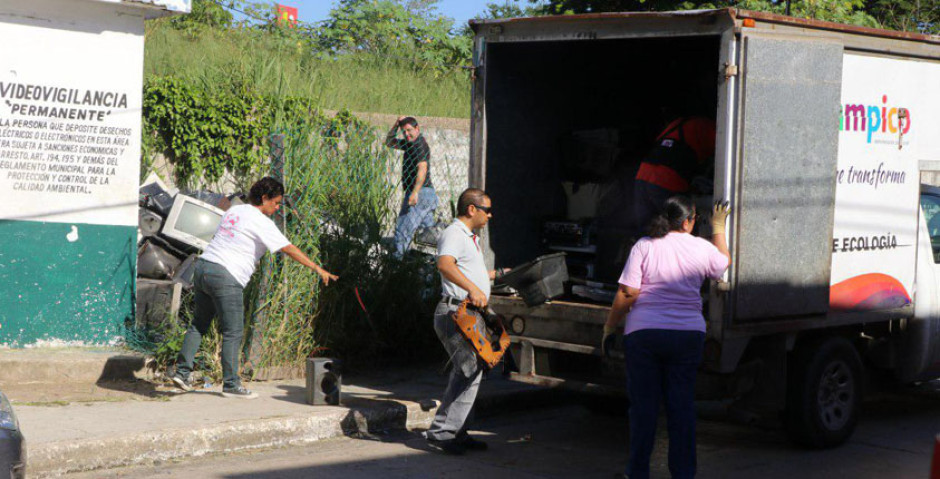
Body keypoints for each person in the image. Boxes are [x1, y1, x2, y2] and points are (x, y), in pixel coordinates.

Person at [170, 177, 338, 399]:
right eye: (276, 203)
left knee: (198, 324)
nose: (277, 207)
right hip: (226, 275)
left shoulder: (235, 211)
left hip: (203, 268)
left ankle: (182, 373)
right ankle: (231, 384)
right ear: (265, 198)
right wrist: (317, 268)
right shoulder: (262, 222)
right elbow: (288, 248)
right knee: (233, 331)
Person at [602, 196, 731, 479]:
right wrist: (718, 228)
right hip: (687, 336)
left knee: (644, 409)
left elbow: (628, 293)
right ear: (688, 222)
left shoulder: (644, 246)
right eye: (695, 219)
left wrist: (610, 327)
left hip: (645, 335)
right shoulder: (701, 247)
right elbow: (723, 264)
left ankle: (637, 473)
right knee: (681, 407)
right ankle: (683, 474)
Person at [425, 187, 507, 455]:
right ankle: (442, 433)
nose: (490, 216)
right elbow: (445, 265)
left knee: (470, 371)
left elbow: (470, 271)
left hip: (468, 314)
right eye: (487, 210)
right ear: (472, 209)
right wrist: (473, 288)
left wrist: (497, 275)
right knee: (468, 370)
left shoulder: (469, 238)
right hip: (455, 314)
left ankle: (456, 432)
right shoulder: (453, 233)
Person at [633, 116, 716, 236]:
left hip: (643, 175)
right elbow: (724, 153)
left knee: (647, 231)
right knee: (684, 230)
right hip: (667, 180)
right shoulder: (713, 128)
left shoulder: (677, 124)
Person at [385, 116, 438, 258]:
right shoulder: (410, 143)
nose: (407, 134)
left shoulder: (418, 144)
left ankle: (396, 265)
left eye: (409, 130)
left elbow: (422, 168)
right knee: (429, 236)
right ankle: (431, 265)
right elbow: (389, 142)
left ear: (417, 128)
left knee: (403, 231)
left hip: (420, 193)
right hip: (427, 194)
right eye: (404, 131)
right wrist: (396, 125)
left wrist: (415, 193)